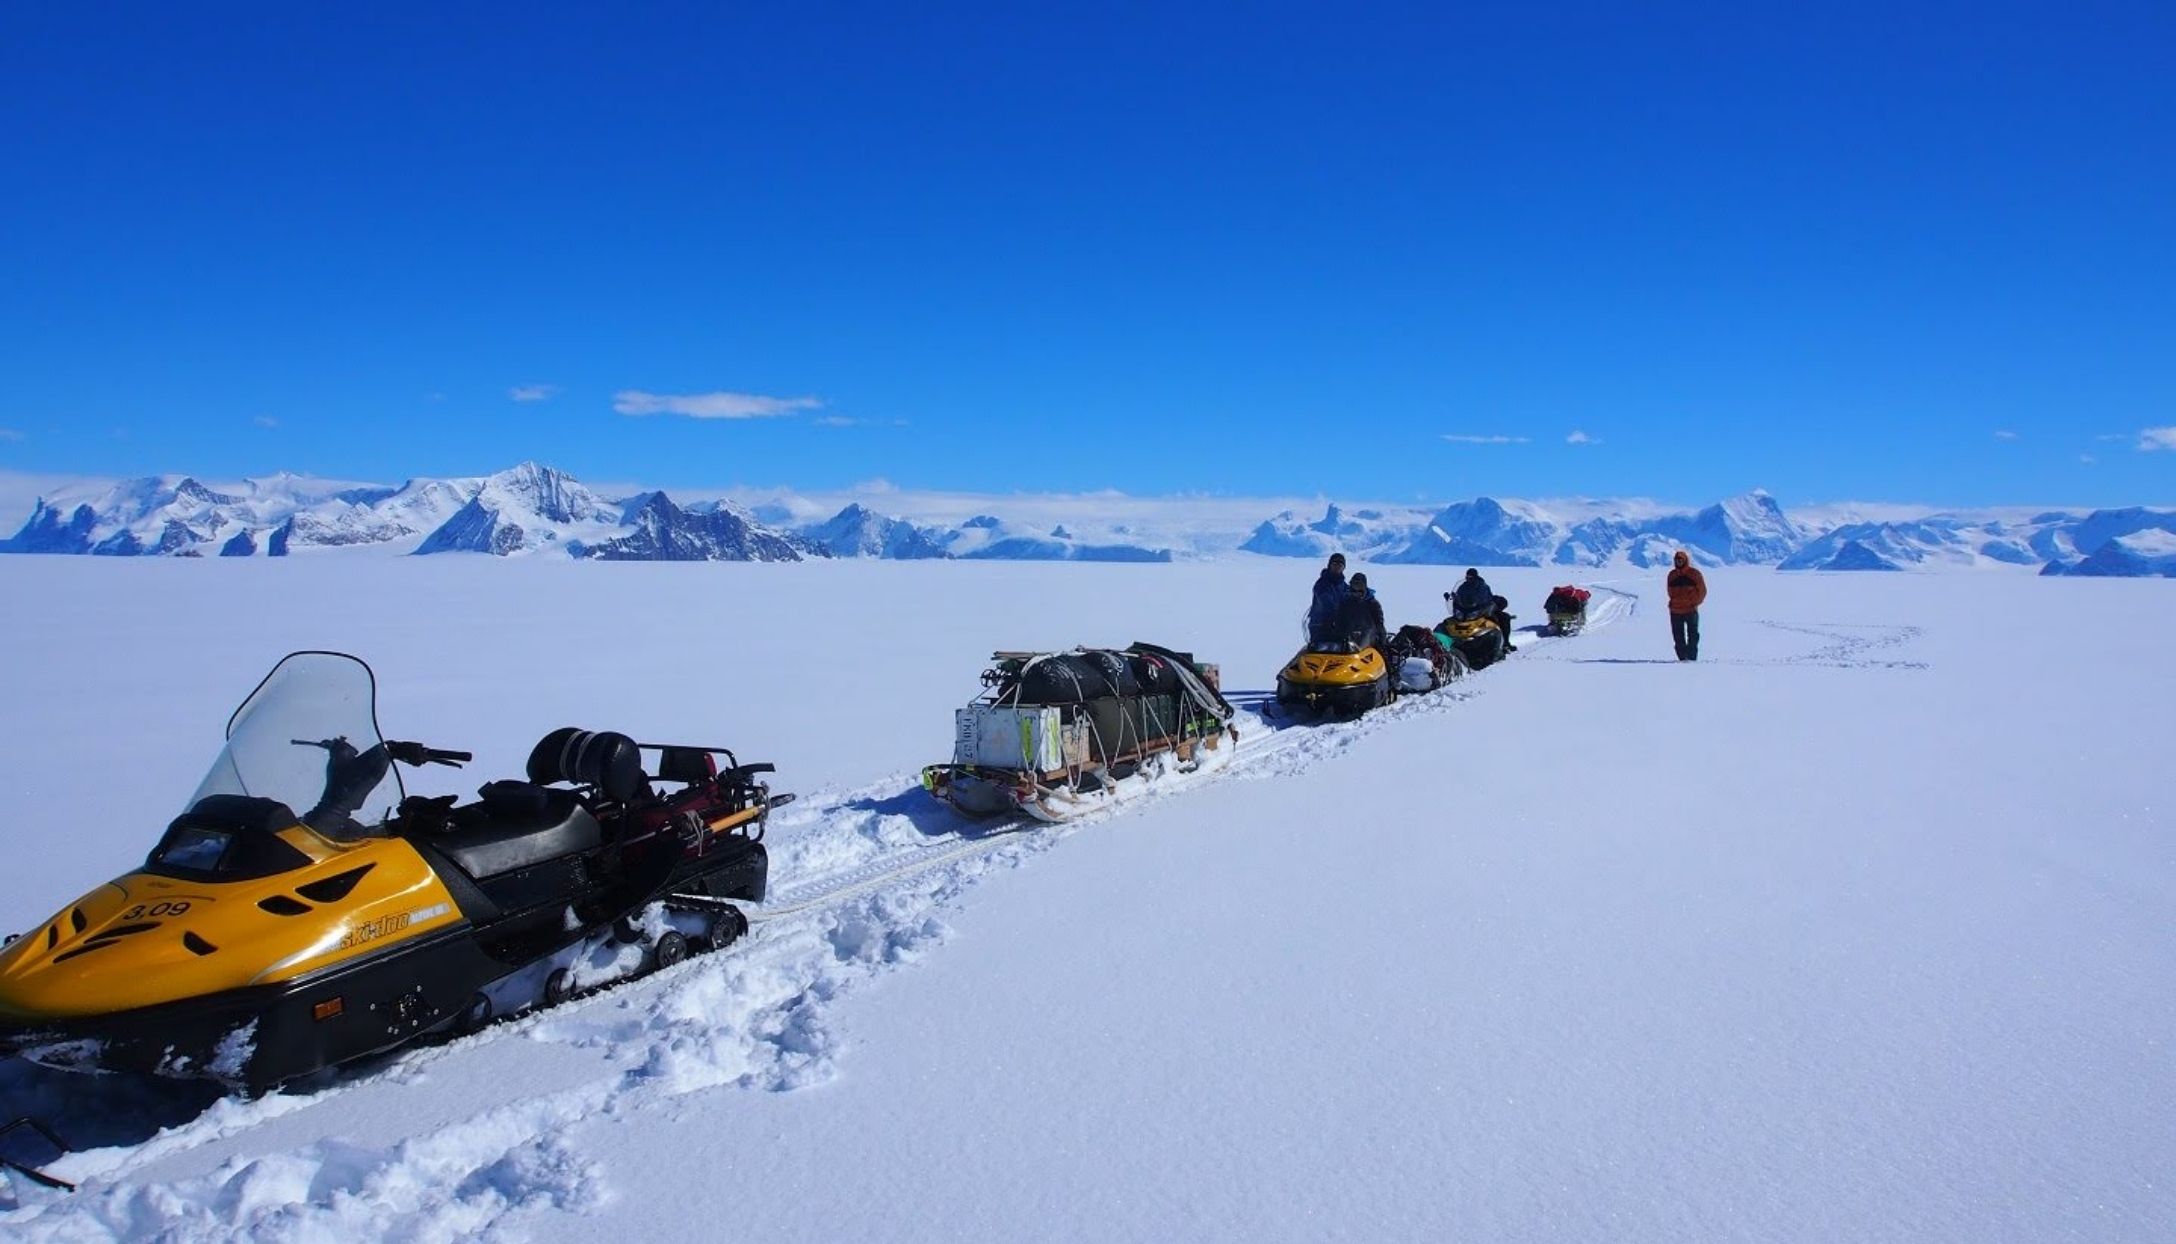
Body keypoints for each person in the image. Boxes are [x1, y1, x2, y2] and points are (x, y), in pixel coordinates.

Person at [1667, 549, 1708, 661]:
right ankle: (1682, 659)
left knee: (1693, 636)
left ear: (1685, 561)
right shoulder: (1672, 575)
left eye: (1680, 560)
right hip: (1675, 611)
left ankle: (1692, 659)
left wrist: (1693, 602)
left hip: (1690, 610)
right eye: (1677, 560)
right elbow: (1669, 591)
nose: (1678, 562)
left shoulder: (1694, 574)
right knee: (1678, 637)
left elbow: (1702, 591)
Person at [1308, 553, 1348, 644]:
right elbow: (1327, 603)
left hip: (1339, 627)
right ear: (1330, 565)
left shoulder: (1344, 586)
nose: (1337, 567)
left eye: (1340, 565)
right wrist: (1341, 615)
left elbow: (1352, 601)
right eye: (1334, 564)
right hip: (1320, 626)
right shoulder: (1322, 584)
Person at [1345, 572, 1387, 649]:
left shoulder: (1373, 604)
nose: (1356, 589)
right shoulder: (1346, 603)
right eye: (1354, 585)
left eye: (1359, 585)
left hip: (1368, 638)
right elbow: (1340, 621)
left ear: (1364, 586)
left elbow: (1379, 624)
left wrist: (1382, 641)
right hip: (1347, 639)